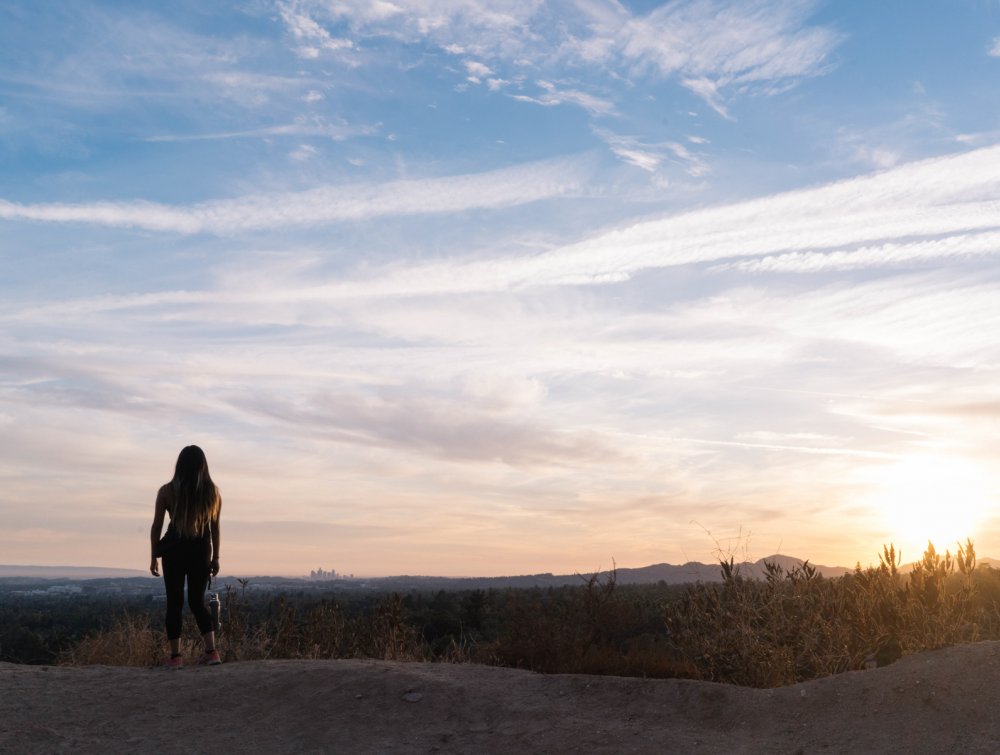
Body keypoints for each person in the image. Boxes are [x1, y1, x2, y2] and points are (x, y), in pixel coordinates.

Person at [149, 445, 223, 668]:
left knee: (174, 602)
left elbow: (156, 527)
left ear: (179, 465)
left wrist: (153, 556)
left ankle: (175, 657)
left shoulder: (166, 491)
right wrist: (216, 557)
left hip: (173, 552)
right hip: (201, 551)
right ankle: (211, 652)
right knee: (196, 602)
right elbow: (215, 529)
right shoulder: (212, 493)